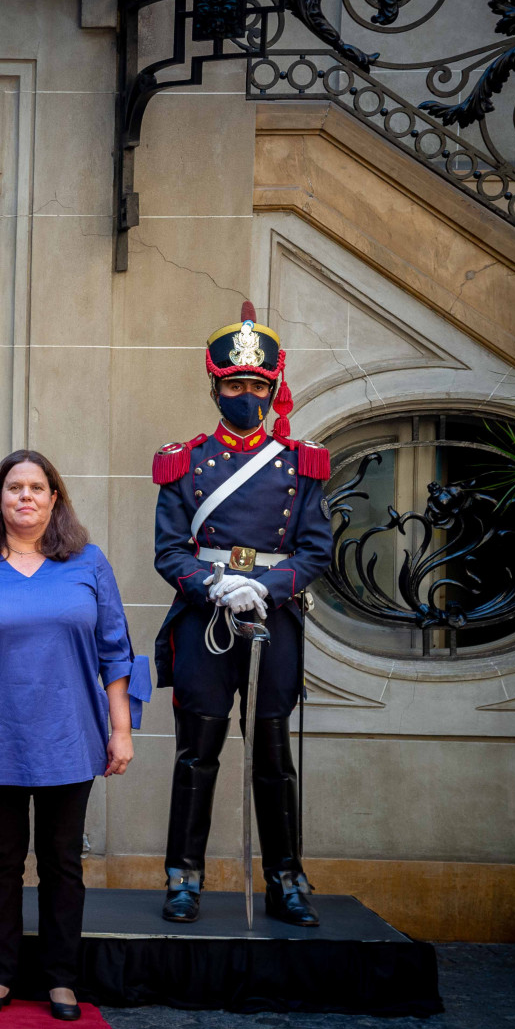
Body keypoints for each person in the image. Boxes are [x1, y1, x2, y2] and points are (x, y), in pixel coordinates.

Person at [0, 451, 149, 1022]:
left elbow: (116, 653)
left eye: (37, 487)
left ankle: (60, 979)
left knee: (61, 862)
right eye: (14, 488)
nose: (25, 497)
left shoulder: (88, 562)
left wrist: (122, 730)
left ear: (55, 498)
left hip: (70, 736)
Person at [151, 302, 332, 927]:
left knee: (274, 755)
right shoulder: (184, 461)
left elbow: (316, 549)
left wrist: (268, 588)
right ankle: (183, 877)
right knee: (196, 753)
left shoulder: (301, 464)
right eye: (235, 385)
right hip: (207, 621)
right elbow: (169, 550)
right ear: (216, 387)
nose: (246, 395)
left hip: (274, 620)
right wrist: (215, 585)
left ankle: (286, 879)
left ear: (273, 388)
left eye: (257, 386)